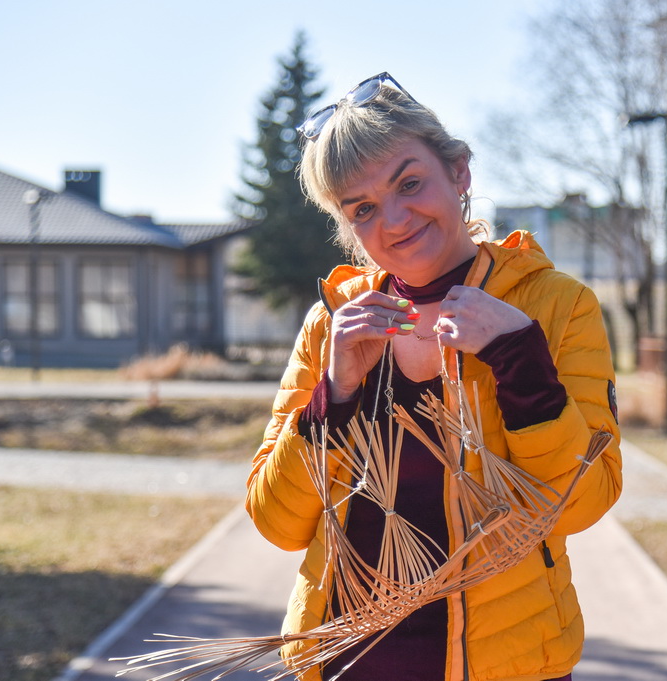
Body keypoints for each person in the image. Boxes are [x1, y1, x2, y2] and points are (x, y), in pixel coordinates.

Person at [246, 72, 623, 681]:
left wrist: (519, 358)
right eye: (363, 208)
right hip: (345, 664)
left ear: (459, 171)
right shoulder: (333, 325)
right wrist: (333, 397)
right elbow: (277, 522)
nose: (395, 219)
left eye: (410, 183)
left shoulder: (553, 308)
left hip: (508, 667)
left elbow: (585, 503)